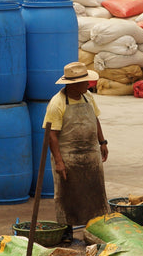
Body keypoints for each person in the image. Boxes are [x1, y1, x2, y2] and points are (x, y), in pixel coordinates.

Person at [43, 61, 110, 243]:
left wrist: (102, 142)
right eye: (84, 82)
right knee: (67, 196)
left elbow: (95, 120)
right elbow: (52, 136)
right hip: (69, 156)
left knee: (95, 193)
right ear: (72, 84)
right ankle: (66, 233)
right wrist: (59, 161)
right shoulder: (57, 103)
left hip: (90, 154)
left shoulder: (88, 97)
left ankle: (96, 229)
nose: (87, 85)